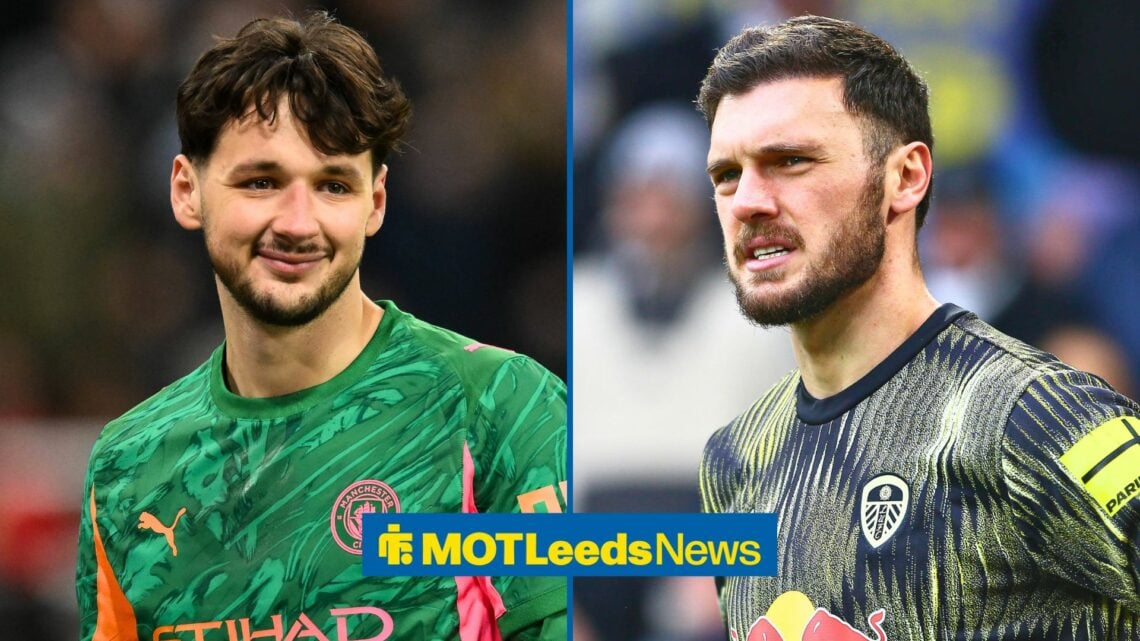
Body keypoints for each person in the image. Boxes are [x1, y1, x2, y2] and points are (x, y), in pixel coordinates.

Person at [75, 12, 566, 641]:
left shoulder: (501, 408)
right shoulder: (126, 470)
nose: (298, 223)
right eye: (261, 181)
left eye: (333, 186)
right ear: (186, 190)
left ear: (375, 203)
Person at [696, 15, 1140, 640]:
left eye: (791, 161)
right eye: (726, 175)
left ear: (905, 178)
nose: (747, 201)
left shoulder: (1035, 415)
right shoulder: (734, 462)